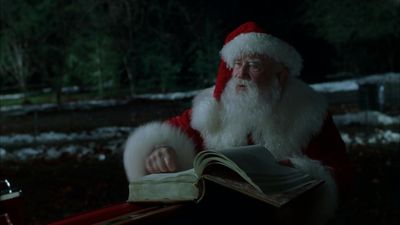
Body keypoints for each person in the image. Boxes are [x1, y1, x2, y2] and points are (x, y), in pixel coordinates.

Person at [123, 21, 353, 225]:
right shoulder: (211, 109)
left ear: (280, 76)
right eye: (236, 63)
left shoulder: (309, 115)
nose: (240, 74)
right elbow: (172, 131)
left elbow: (339, 174)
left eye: (254, 65)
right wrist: (159, 149)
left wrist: (300, 174)